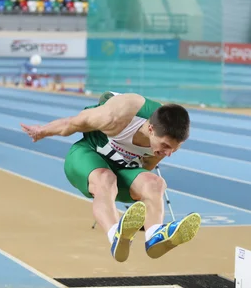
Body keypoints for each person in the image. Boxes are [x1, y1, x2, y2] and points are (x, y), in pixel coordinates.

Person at [20, 91, 202, 263]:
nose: (168, 153)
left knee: (155, 183)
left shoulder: (164, 139)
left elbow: (145, 168)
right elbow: (71, 124)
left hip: (121, 168)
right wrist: (41, 131)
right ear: (151, 128)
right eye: (165, 146)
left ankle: (154, 234)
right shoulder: (118, 115)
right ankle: (115, 233)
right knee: (106, 179)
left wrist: (144, 200)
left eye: (174, 149)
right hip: (86, 156)